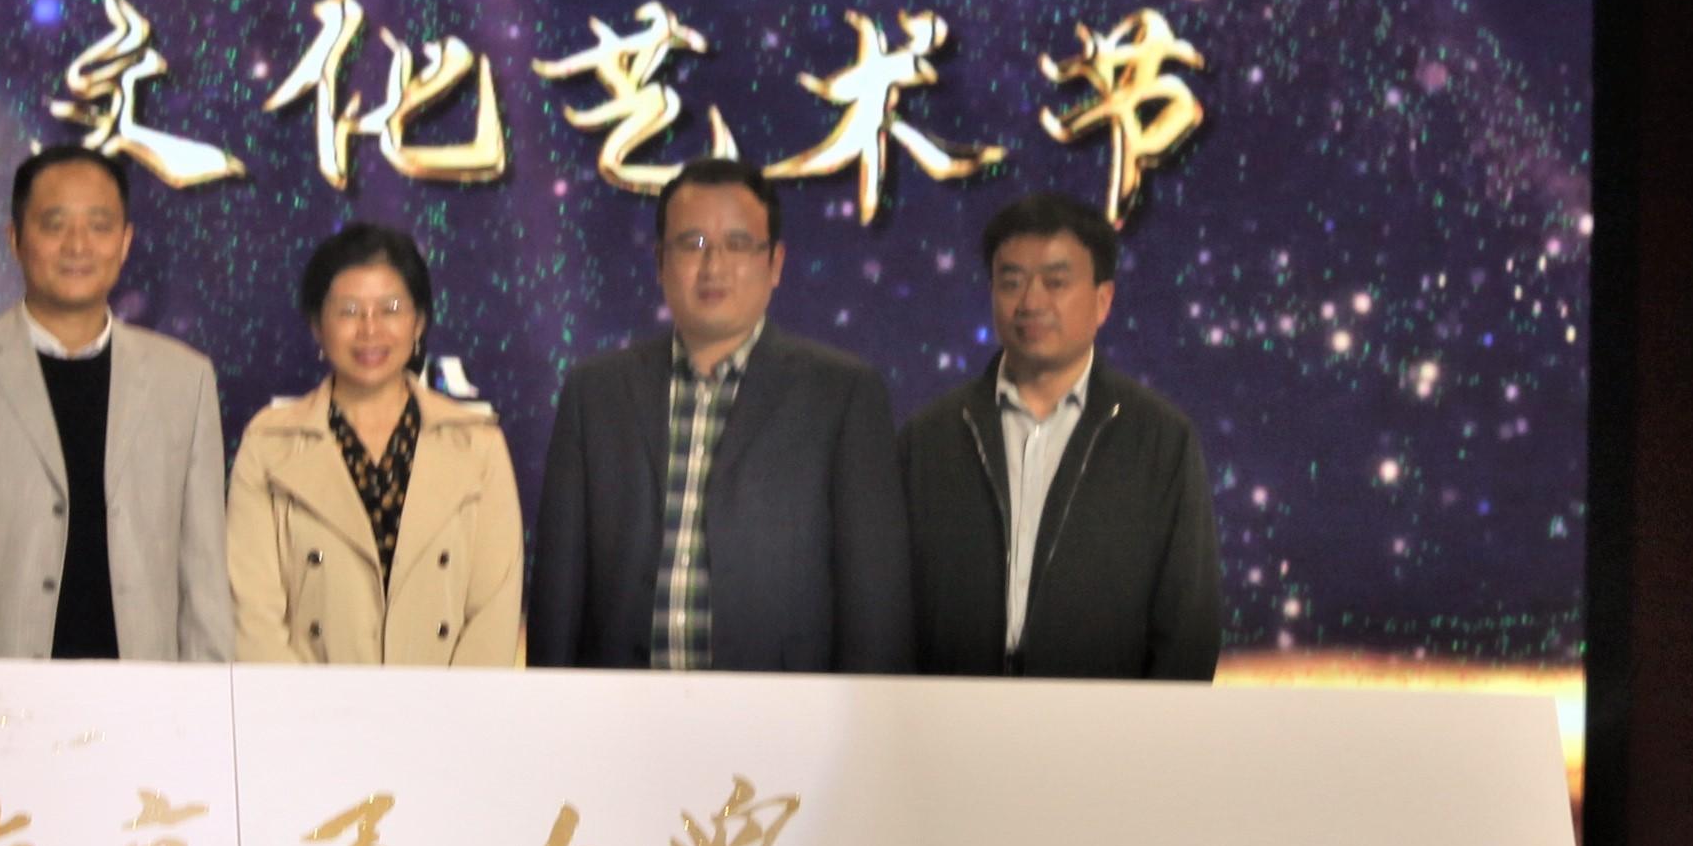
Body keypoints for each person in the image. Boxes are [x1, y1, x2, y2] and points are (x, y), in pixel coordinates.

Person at [528, 158, 911, 671]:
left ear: (775, 264)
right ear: (660, 262)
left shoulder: (842, 395)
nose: (714, 266)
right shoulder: (594, 393)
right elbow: (558, 588)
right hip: (620, 706)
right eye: (693, 244)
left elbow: (875, 601)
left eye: (737, 244)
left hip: (781, 708)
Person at [0, 145, 231, 660]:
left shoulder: (184, 380)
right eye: (54, 224)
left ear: (125, 242)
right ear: (15, 239)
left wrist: (207, 695)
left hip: (141, 690)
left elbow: (204, 571)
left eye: (99, 226)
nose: (77, 245)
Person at [900, 192, 1223, 679]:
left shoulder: (1160, 441)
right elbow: (891, 604)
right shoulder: (930, 438)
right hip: (952, 711)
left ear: (1103, 300)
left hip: (1101, 718)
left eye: (1056, 282)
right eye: (1012, 282)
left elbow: (1189, 624)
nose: (1031, 302)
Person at [227, 224, 523, 665]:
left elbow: (494, 610)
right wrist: (298, 705)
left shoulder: (478, 444)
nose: (370, 330)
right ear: (317, 325)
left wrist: (455, 704)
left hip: (446, 701)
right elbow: (253, 613)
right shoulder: (269, 444)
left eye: (391, 308)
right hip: (306, 702)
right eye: (348, 311)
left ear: (419, 322)